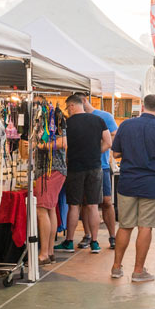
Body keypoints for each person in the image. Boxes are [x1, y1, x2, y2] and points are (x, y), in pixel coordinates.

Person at [108, 94, 155, 282]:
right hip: (153, 185)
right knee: (145, 226)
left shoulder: (125, 125)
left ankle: (116, 267)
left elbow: (116, 152)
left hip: (127, 183)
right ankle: (138, 271)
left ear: (142, 107)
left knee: (125, 225)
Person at [57, 93, 110, 255]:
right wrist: (95, 153)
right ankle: (94, 243)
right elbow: (109, 142)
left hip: (75, 167)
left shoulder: (66, 123)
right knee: (93, 205)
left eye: (68, 107)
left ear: (72, 105)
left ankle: (69, 242)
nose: (68, 110)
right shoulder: (98, 120)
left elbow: (63, 145)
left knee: (74, 205)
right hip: (95, 167)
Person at [33, 104, 67, 267]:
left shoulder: (54, 118)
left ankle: (44, 253)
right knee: (50, 208)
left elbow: (63, 142)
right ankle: (50, 251)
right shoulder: (47, 119)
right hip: (50, 170)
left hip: (50, 171)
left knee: (42, 210)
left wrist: (41, 146)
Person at [83, 103, 119, 251]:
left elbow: (114, 135)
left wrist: (97, 146)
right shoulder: (76, 117)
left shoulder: (105, 116)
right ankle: (88, 235)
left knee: (106, 201)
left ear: (85, 100)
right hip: (84, 165)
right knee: (85, 202)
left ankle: (112, 236)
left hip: (102, 165)